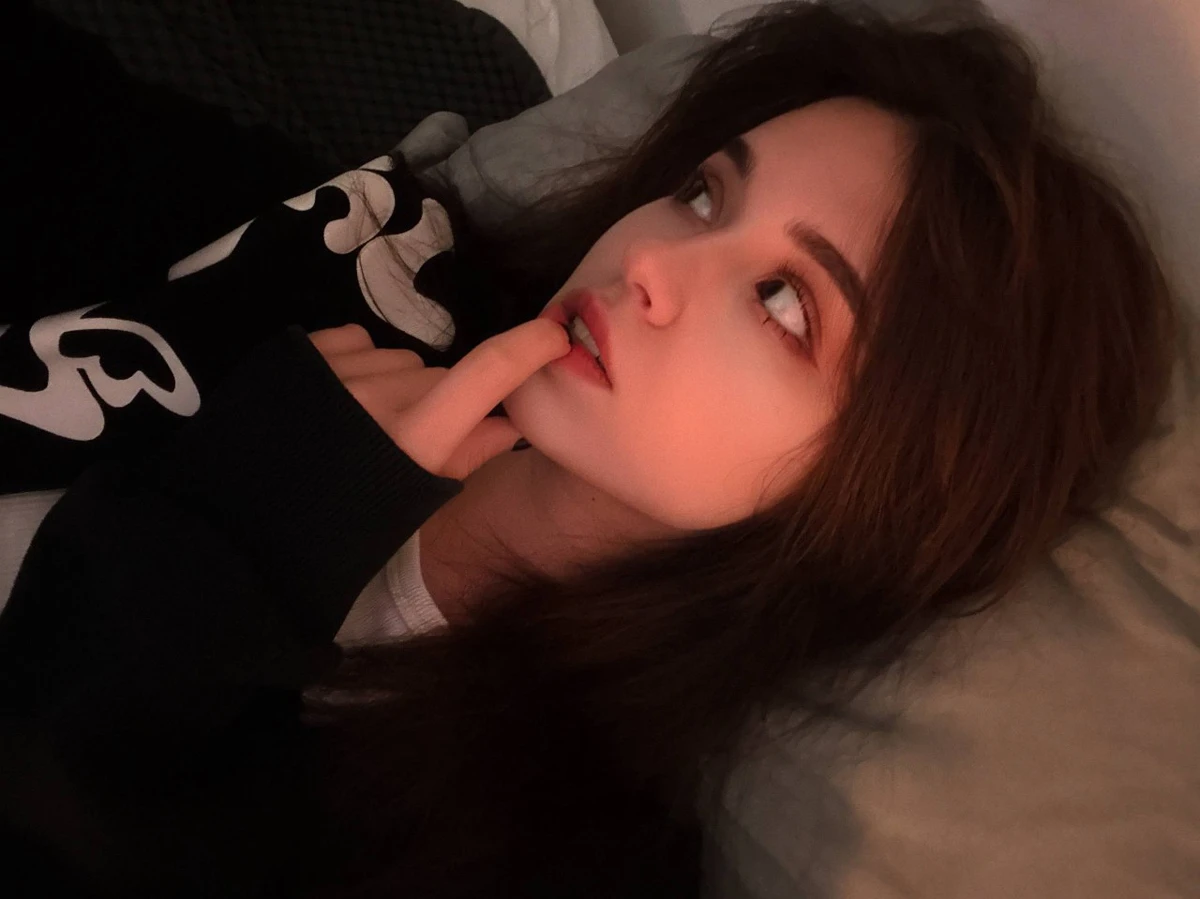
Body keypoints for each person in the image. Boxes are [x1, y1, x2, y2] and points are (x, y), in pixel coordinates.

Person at [0, 1, 1181, 897]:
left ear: (882, 493)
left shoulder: (555, 836)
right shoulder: (385, 260)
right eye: (704, 195)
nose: (652, 259)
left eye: (783, 303)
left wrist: (248, 527)